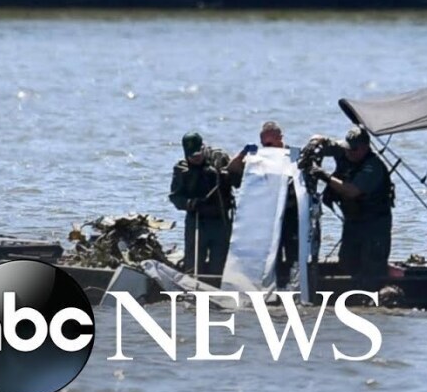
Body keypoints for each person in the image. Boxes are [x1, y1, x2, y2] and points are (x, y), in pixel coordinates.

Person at [309, 126, 394, 281]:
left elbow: (352, 191)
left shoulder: (373, 167)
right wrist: (315, 144)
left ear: (365, 148)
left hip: (374, 225)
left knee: (371, 269)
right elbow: (323, 141)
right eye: (347, 147)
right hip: (353, 222)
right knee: (347, 262)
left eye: (353, 149)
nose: (349, 152)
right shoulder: (346, 151)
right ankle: (349, 289)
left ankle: (374, 290)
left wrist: (324, 176)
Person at [226, 121, 299, 287]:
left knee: (293, 255)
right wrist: (243, 154)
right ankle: (273, 287)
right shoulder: (259, 159)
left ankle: (294, 287)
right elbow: (231, 169)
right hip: (268, 217)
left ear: (280, 139)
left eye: (270, 144)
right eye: (264, 144)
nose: (267, 148)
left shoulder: (293, 157)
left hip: (290, 216)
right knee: (271, 256)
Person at [168, 131, 239, 275]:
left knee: (220, 263)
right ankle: (192, 286)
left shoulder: (219, 159)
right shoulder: (182, 169)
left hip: (220, 220)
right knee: (193, 263)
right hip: (197, 220)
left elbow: (238, 182)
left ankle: (218, 285)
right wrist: (191, 203)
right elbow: (175, 197)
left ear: (203, 147)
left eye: (198, 154)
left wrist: (227, 175)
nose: (196, 158)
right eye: (191, 156)